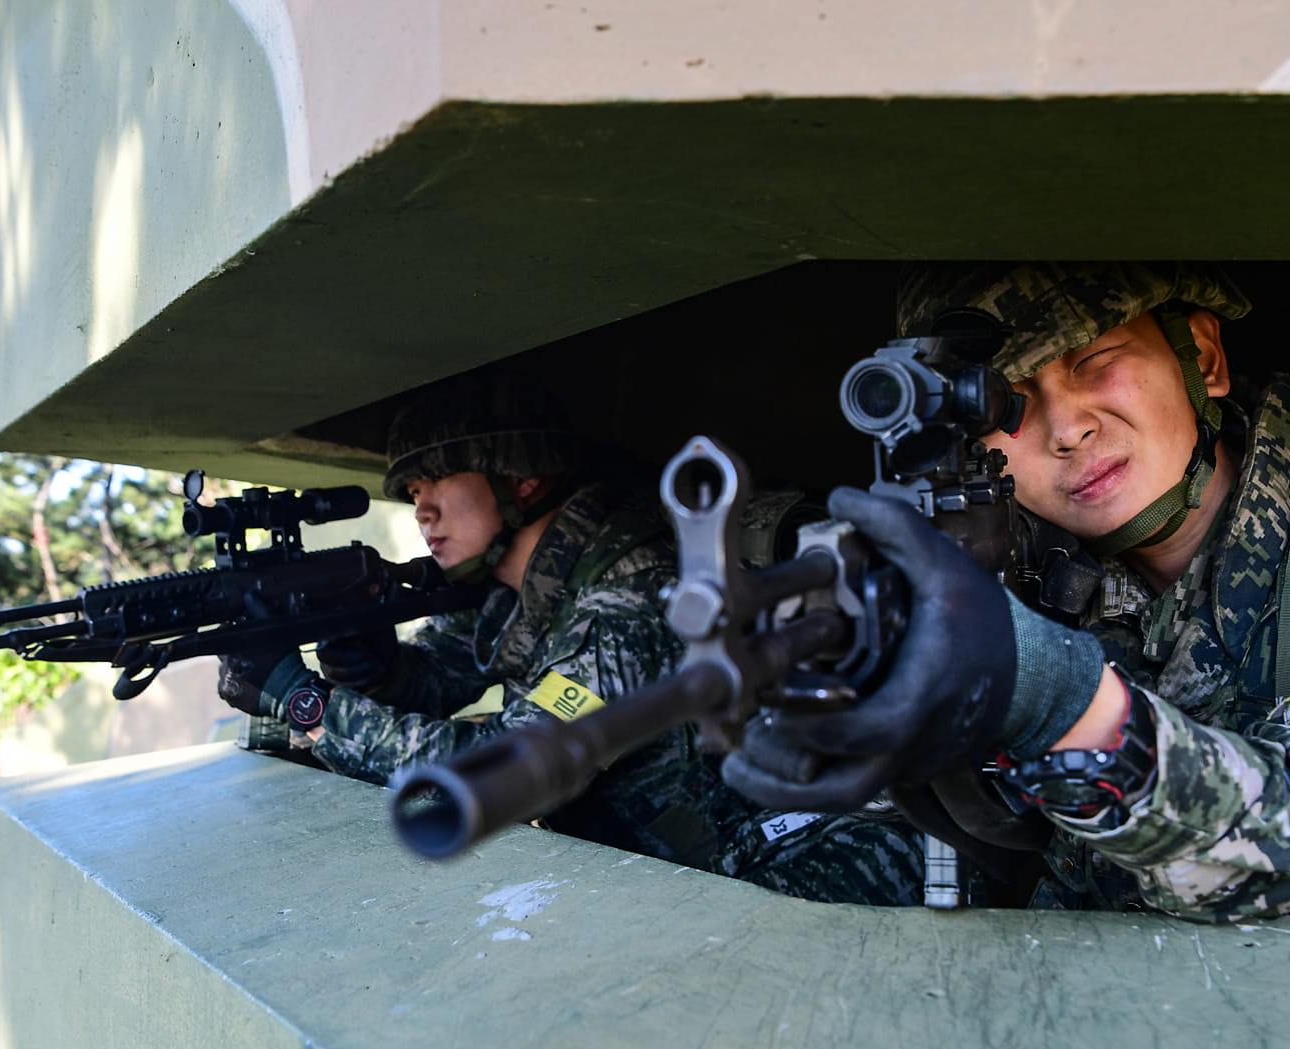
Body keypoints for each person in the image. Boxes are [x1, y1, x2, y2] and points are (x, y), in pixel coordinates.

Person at [724, 261, 1290, 921]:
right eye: (1007, 407)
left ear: (1203, 356)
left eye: (1094, 362)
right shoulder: (1027, 580)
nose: (1065, 428)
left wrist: (1055, 699)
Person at [216, 369, 928, 907]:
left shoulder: (624, 592)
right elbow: (442, 674)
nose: (422, 509)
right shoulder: (523, 577)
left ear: (520, 480)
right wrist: (380, 670)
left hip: (764, 865)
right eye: (412, 493)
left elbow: (501, 770)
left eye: (438, 480)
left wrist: (303, 703)